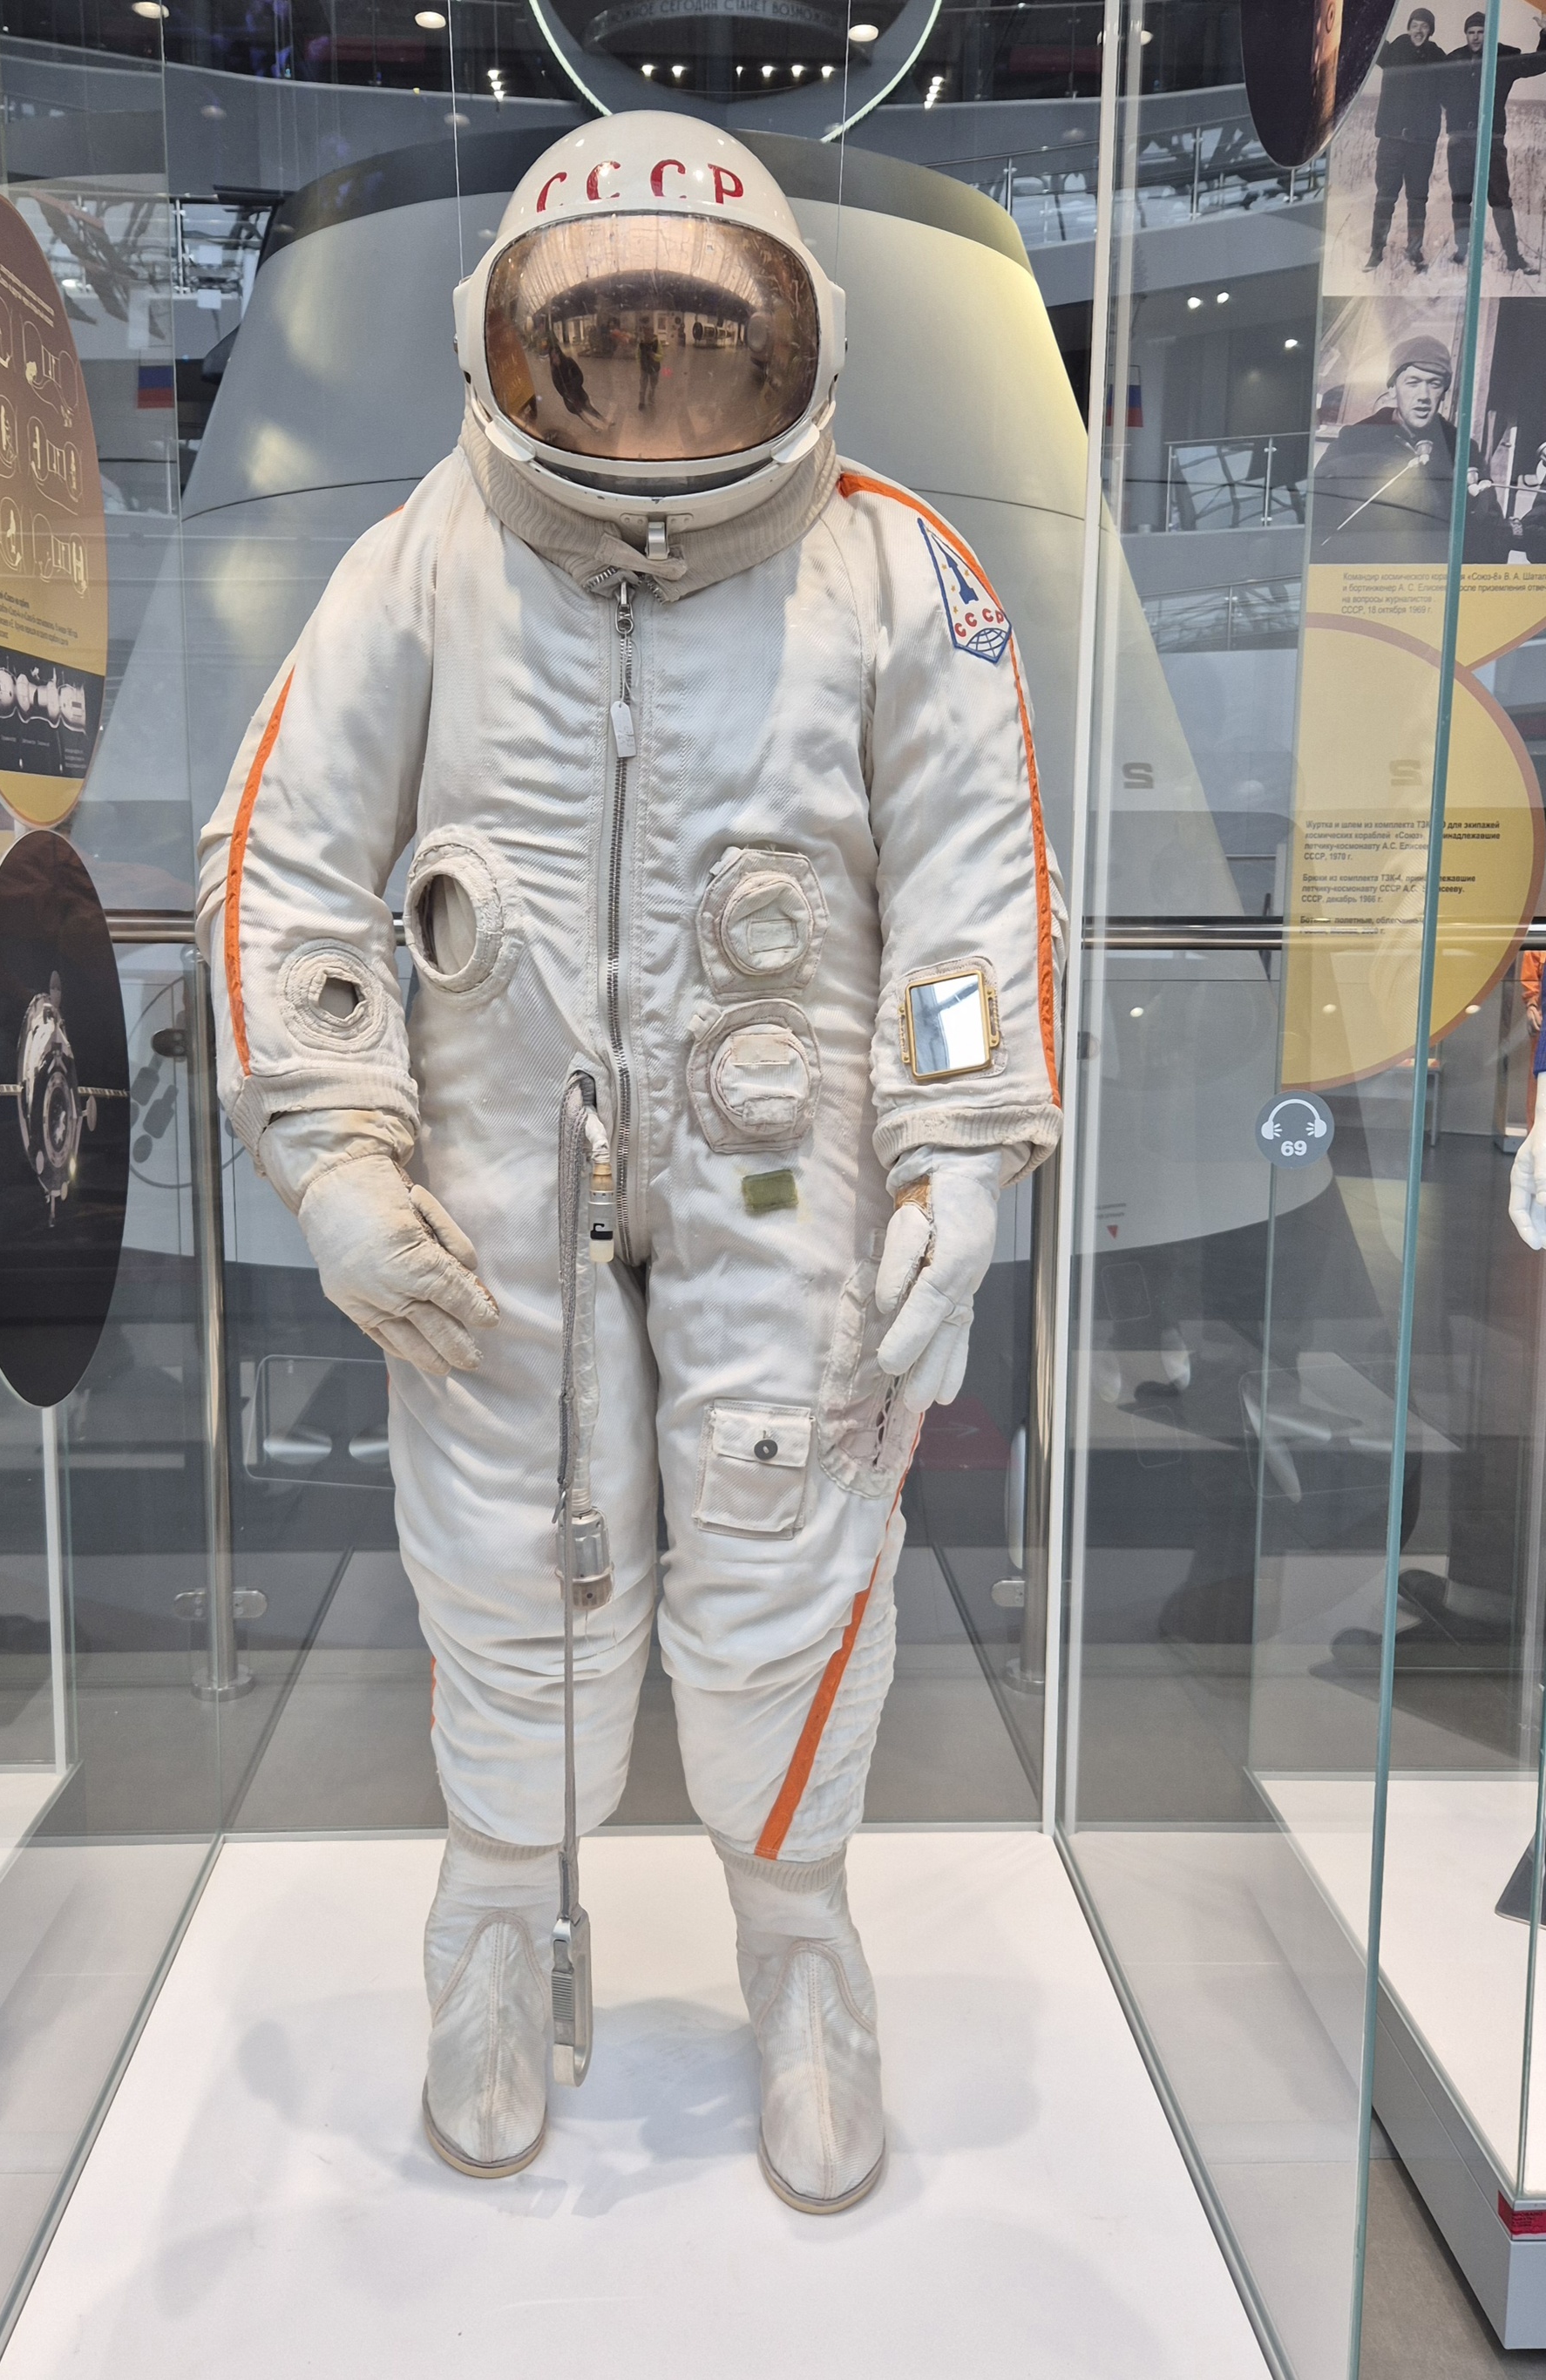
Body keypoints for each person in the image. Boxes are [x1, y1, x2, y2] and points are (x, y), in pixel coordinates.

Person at [198, 114, 1063, 2214]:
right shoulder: (424, 562)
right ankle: (495, 1925)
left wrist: (956, 1166)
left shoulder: (892, 577)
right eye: (600, 357)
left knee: (788, 1540)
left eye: (702, 351)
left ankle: (802, 1945)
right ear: (509, 359)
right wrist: (334, 1152)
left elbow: (968, 909)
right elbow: (288, 862)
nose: (654, 402)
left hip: (788, 1171)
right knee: (508, 1554)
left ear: (795, 353)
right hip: (498, 1173)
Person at [1311, 330, 1503, 558]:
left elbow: (1490, 533)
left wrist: (1475, 509)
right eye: (1413, 383)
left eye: (1434, 384)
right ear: (1393, 387)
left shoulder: (1462, 450)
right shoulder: (1355, 441)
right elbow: (1315, 517)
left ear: (1444, 392)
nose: (1423, 395)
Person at [1443, 10, 1546, 272]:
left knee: (1500, 199)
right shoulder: (1454, 60)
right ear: (1466, 34)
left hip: (1492, 140)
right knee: (1461, 198)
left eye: (1481, 32)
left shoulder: (1504, 58)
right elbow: (1435, 89)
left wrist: (1545, 33)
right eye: (1471, 32)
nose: (1476, 37)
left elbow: (1540, 62)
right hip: (1460, 141)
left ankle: (1513, 256)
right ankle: (1462, 250)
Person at [1370, 10, 1449, 269]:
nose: (1418, 30)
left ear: (1430, 31)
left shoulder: (1437, 57)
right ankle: (1376, 250)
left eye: (1424, 26)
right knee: (1385, 197)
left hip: (1421, 144)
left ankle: (1414, 251)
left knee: (1417, 200)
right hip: (1391, 140)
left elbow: (1454, 86)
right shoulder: (1392, 51)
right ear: (1408, 27)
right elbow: (1367, 37)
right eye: (1415, 25)